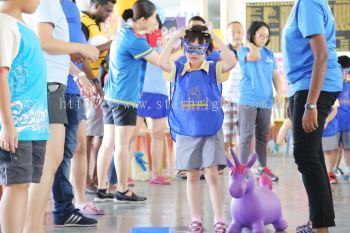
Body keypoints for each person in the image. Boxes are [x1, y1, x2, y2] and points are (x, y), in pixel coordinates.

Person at [23, 0, 100, 231]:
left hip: (55, 86)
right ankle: (30, 227)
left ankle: (34, 226)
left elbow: (54, 53)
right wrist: (81, 48)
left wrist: (78, 75)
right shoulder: (46, 2)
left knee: (52, 160)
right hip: (47, 86)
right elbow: (45, 42)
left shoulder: (56, 4)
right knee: (47, 163)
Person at [159, 25, 236, 233]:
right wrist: (175, 36)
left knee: (211, 174)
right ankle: (196, 220)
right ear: (183, 49)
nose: (194, 54)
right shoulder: (178, 69)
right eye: (190, 49)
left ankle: (219, 219)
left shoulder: (213, 68)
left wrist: (215, 38)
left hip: (210, 128)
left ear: (206, 50)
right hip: (186, 129)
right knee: (192, 175)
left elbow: (231, 62)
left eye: (199, 49)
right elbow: (161, 62)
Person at [282, 0, 343, 232]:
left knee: (305, 155)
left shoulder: (308, 3)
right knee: (313, 155)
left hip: (315, 87)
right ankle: (318, 222)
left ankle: (320, 227)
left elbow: (322, 56)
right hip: (303, 85)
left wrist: (310, 105)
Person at [95, 0, 160, 203]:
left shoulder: (123, 32)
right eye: (153, 18)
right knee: (122, 144)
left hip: (111, 95)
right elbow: (161, 62)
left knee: (109, 143)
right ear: (142, 20)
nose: (155, 22)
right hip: (124, 98)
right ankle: (122, 190)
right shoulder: (135, 40)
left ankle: (102, 187)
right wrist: (177, 41)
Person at [0, 1, 49, 232]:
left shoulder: (24, 25)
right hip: (17, 125)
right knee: (15, 185)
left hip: (34, 124)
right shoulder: (4, 24)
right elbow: (1, 74)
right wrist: (7, 124)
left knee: (23, 186)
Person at [237, 21, 282, 181]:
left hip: (265, 100)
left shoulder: (270, 54)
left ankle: (262, 168)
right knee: (246, 135)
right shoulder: (243, 50)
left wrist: (279, 92)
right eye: (260, 35)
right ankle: (241, 170)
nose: (264, 39)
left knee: (262, 135)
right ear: (252, 34)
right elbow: (254, 56)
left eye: (266, 36)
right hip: (248, 99)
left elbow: (276, 75)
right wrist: (249, 43)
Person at [80, 0, 115, 193]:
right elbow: (80, 54)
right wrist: (112, 43)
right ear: (96, 5)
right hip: (83, 86)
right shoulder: (82, 23)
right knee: (88, 136)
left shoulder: (94, 25)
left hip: (93, 85)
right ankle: (86, 179)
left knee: (97, 134)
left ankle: (92, 178)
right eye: (107, 10)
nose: (109, 14)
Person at [222, 21, 244, 153]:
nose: (236, 35)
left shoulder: (249, 52)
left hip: (246, 101)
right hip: (227, 101)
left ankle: (245, 168)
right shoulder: (222, 53)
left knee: (245, 137)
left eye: (239, 31)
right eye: (233, 32)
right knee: (226, 138)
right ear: (227, 35)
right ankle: (224, 168)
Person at [334, 55, 350, 180]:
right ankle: (334, 168)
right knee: (335, 148)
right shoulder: (332, 86)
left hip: (348, 124)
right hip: (334, 124)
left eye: (346, 71)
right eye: (341, 71)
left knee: (347, 148)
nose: (344, 74)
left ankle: (348, 170)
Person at [322, 100, 340, 184]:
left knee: (328, 151)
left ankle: (329, 172)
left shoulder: (331, 89)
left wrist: (326, 121)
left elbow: (334, 110)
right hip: (314, 124)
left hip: (328, 127)